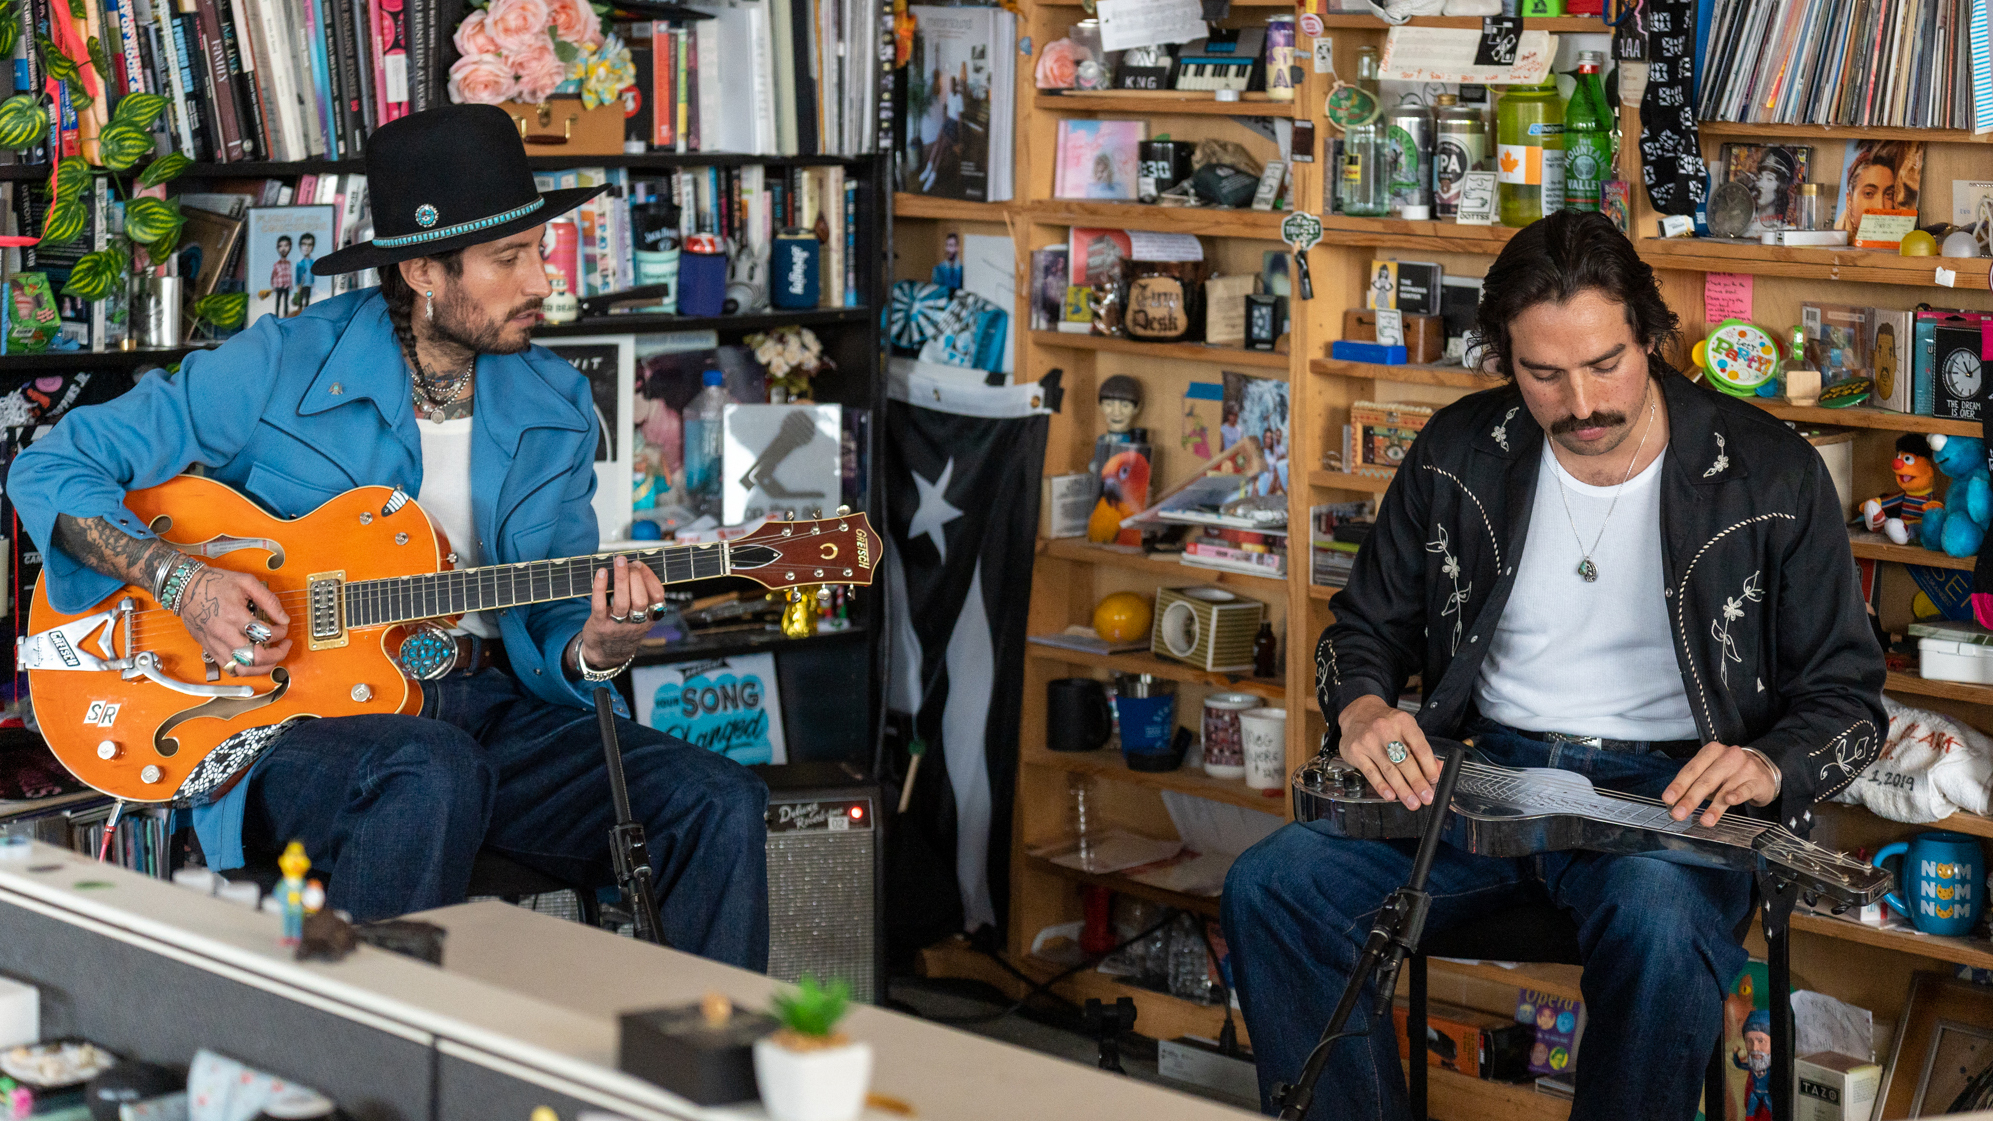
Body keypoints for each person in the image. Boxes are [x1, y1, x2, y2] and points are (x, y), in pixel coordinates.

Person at [10, 104, 770, 969]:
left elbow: (555, 610)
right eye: (508, 259)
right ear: (422, 271)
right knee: (429, 770)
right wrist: (185, 582)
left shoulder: (554, 402)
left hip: (485, 711)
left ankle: (707, 1084)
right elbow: (50, 467)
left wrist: (596, 645)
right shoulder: (279, 365)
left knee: (714, 799)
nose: (541, 283)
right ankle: (365, 1076)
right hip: (286, 726)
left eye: (538, 251)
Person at [1220, 209, 1884, 1120]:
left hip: (1674, 799)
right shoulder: (1459, 451)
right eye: (1543, 373)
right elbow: (1361, 628)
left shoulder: (1768, 473)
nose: (1581, 405)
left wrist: (1766, 763)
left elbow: (1847, 698)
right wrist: (1364, 709)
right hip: (1479, 782)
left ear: (1650, 337)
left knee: (1654, 924)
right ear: (1504, 359)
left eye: (1605, 364)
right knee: (1273, 885)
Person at [268, 234, 294, 318]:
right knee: (278, 301)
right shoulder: (276, 264)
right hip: (279, 286)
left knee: (286, 301)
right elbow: (273, 276)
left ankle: (286, 315)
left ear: (290, 247)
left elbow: (289, 275)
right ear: (277, 248)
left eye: (286, 246)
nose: (283, 249)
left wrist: (290, 285)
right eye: (280, 246)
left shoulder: (289, 263)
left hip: (286, 286)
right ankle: (277, 315)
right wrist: (273, 286)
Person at [293, 232, 317, 310]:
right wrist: (297, 283)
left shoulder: (312, 261)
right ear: (300, 246)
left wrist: (313, 282)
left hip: (308, 284)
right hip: (302, 284)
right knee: (300, 298)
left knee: (307, 298)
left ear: (312, 247)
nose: (306, 247)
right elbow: (297, 274)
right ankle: (300, 310)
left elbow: (313, 273)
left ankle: (306, 310)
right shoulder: (300, 262)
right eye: (304, 244)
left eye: (309, 245)